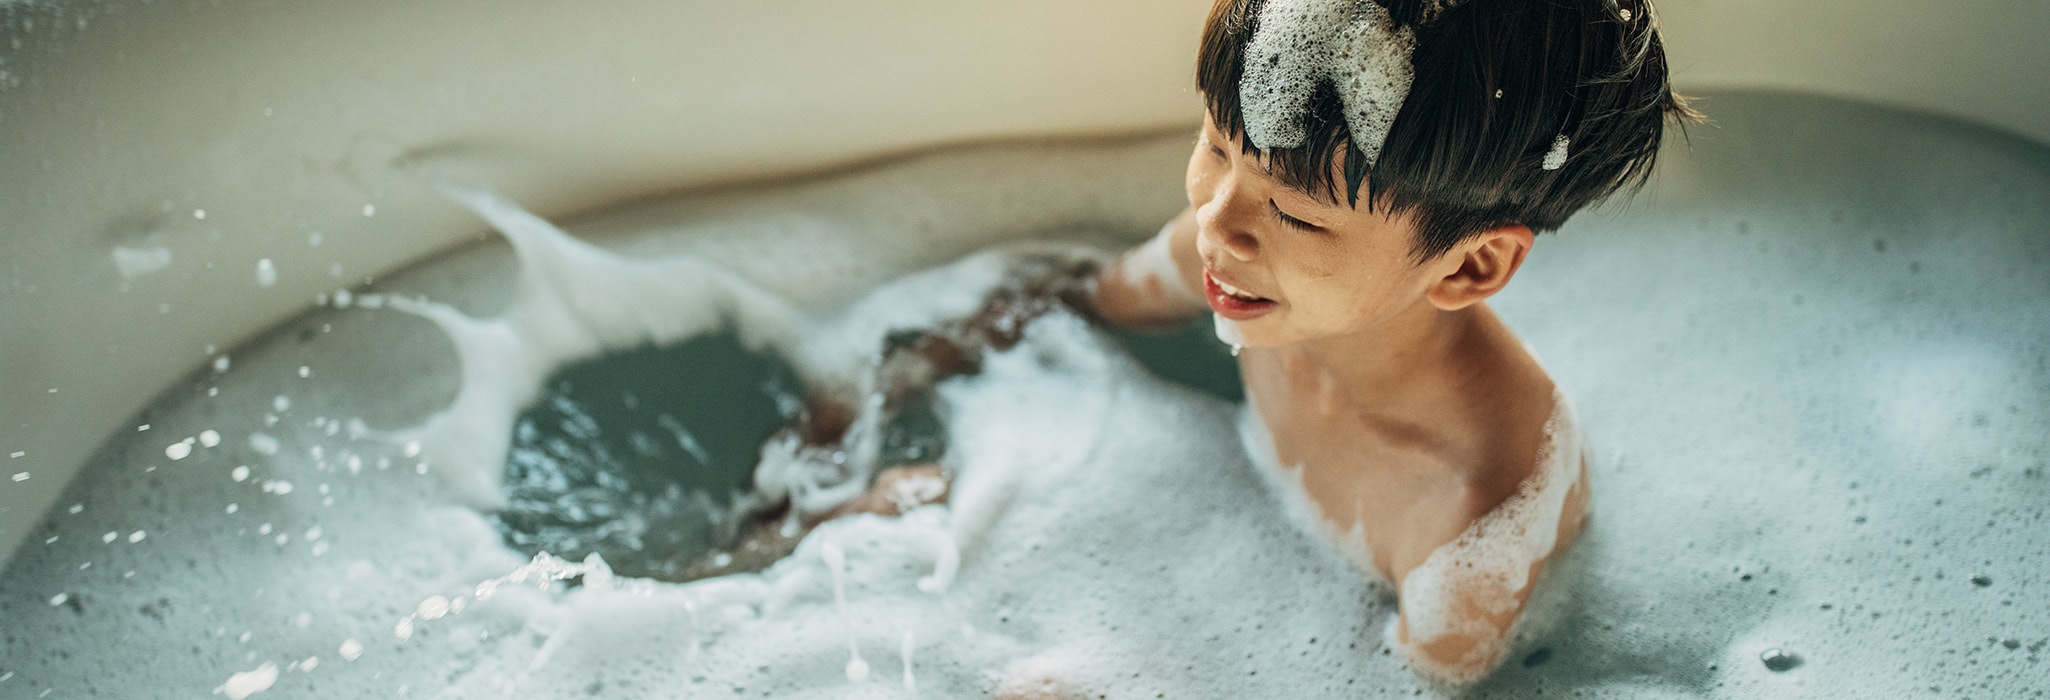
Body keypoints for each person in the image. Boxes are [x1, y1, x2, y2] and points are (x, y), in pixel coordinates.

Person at [1089, 0, 1695, 683]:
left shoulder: (1470, 522)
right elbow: (1088, 306)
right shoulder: (1242, 250)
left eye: (1294, 214)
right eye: (1215, 145)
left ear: (1470, 266)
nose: (1215, 222)